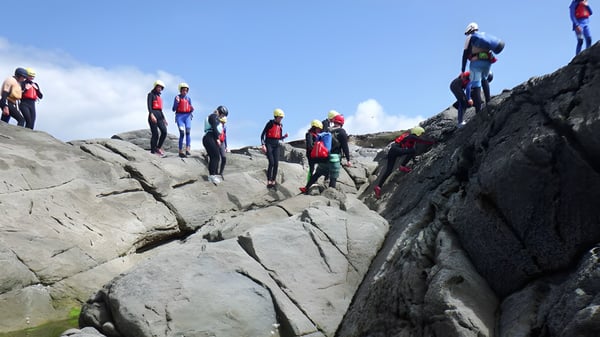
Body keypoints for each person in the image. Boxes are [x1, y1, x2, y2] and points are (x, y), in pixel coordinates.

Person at [373, 126, 435, 199]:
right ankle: (402, 166)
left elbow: (408, 146)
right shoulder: (412, 137)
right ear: (417, 132)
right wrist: (433, 142)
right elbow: (422, 141)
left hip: (392, 151)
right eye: (421, 133)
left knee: (389, 170)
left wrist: (413, 158)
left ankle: (378, 187)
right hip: (397, 150)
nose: (421, 135)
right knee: (413, 150)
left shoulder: (407, 135)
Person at [300, 114, 351, 193]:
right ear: (342, 123)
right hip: (335, 158)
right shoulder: (342, 132)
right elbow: (345, 147)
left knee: (318, 173)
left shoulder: (327, 130)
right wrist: (348, 160)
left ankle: (306, 188)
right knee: (333, 176)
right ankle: (330, 193)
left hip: (325, 156)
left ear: (334, 121)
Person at [461, 22, 497, 115]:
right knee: (484, 79)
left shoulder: (470, 38)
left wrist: (462, 69)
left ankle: (478, 110)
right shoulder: (484, 35)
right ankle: (489, 102)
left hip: (476, 62)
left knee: (476, 84)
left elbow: (465, 55)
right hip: (487, 61)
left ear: (469, 30)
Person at [260, 108, 288, 188]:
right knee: (271, 162)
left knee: (276, 163)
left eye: (282, 118)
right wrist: (263, 145)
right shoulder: (270, 123)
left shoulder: (280, 125)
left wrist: (284, 137)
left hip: (276, 145)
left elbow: (279, 137)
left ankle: (273, 181)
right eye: (280, 117)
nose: (281, 119)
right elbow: (262, 134)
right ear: (276, 116)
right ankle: (268, 180)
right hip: (269, 143)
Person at [203, 105, 229, 184]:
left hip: (211, 137)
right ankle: (212, 175)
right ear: (220, 112)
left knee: (213, 157)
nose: (223, 116)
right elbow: (214, 127)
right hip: (210, 137)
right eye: (223, 115)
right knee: (216, 157)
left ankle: (211, 175)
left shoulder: (216, 118)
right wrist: (217, 138)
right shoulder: (213, 116)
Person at [172, 82, 194, 158]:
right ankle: (180, 150)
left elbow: (190, 108)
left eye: (186, 90)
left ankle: (188, 149)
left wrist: (192, 109)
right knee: (182, 133)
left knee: (188, 132)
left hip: (187, 116)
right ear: (180, 90)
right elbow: (173, 109)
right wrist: (177, 103)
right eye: (183, 90)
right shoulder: (177, 97)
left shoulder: (189, 99)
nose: (185, 92)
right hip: (179, 117)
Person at [147, 80, 168, 156]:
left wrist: (164, 119)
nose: (160, 89)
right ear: (155, 86)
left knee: (164, 132)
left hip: (159, 116)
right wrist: (151, 114)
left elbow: (160, 109)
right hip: (153, 115)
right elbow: (149, 106)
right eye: (159, 87)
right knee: (155, 134)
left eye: (161, 88)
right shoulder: (150, 94)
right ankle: (152, 151)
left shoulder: (159, 97)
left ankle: (158, 147)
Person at [304, 119, 324, 184]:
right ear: (314, 128)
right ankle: (309, 182)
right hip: (311, 154)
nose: (319, 130)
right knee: (312, 168)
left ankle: (314, 181)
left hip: (316, 154)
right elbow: (310, 145)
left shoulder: (317, 135)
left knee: (318, 168)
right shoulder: (309, 134)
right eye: (318, 129)